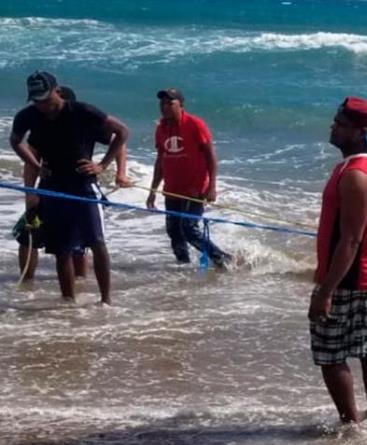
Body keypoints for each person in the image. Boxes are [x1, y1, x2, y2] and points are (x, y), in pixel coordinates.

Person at [9, 71, 129, 303]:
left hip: (83, 186)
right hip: (52, 187)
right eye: (36, 100)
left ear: (57, 91)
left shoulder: (82, 111)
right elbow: (15, 141)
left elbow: (122, 132)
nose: (42, 105)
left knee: (96, 242)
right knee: (61, 250)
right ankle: (68, 302)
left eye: (45, 99)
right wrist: (35, 166)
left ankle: (106, 301)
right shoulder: (27, 116)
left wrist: (103, 165)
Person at [308, 96, 367, 424]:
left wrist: (325, 291)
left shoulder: (356, 175)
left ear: (359, 132)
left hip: (349, 279)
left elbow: (351, 240)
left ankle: (351, 425)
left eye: (341, 124)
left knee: (330, 356)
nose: (333, 126)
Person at [146, 88, 231, 267]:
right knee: (173, 231)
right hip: (172, 189)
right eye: (162, 103)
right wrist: (153, 191)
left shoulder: (195, 124)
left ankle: (222, 259)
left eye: (170, 103)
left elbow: (211, 157)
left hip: (195, 188)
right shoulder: (161, 128)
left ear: (181, 105)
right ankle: (182, 267)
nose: (165, 107)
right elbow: (160, 160)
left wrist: (212, 187)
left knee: (189, 229)